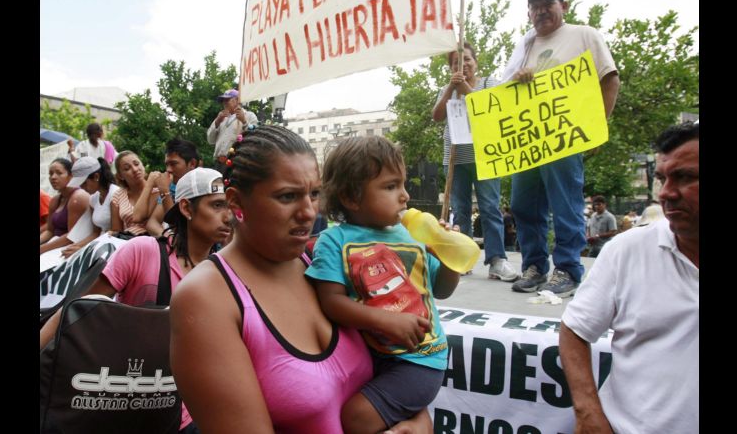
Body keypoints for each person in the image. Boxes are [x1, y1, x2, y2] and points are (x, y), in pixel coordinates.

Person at [170, 125, 430, 433]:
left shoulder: (327, 265)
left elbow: (405, 385)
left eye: (315, 194)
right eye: (288, 196)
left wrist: (418, 425)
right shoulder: (205, 298)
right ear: (236, 202)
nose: (308, 212)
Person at [41, 167, 231, 434]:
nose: (229, 216)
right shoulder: (142, 251)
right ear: (186, 208)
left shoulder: (225, 273)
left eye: (231, 206)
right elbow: (80, 311)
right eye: (218, 205)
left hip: (184, 414)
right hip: (120, 399)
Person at [306, 136, 460, 433]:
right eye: (391, 187)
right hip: (370, 358)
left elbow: (441, 289)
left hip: (420, 360)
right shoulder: (334, 240)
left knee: (357, 418)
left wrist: (450, 257)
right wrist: (386, 320)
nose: (404, 196)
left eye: (402, 184)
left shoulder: (411, 237)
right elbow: (331, 301)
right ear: (352, 197)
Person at [559, 122, 699, 434]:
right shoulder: (627, 250)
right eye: (662, 178)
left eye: (686, 177)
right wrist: (588, 413)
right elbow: (574, 329)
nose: (665, 193)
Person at [501, 0, 620, 296]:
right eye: (535, 7)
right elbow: (506, 96)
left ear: (563, 6)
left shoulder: (584, 35)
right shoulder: (524, 48)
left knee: (565, 203)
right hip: (528, 141)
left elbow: (609, 80)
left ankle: (567, 268)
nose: (541, 12)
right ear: (529, 13)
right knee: (523, 205)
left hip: (564, 138)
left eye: (547, 5)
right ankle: (535, 266)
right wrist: (518, 80)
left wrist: (599, 127)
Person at [432, 42, 517, 281]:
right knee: (460, 210)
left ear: (475, 61)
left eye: (467, 60)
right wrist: (451, 88)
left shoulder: (489, 83)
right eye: (456, 63)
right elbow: (437, 116)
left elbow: (492, 108)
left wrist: (466, 88)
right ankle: (463, 258)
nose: (463, 65)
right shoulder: (446, 89)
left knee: (490, 207)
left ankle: (497, 260)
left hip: (485, 155)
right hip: (456, 157)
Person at [59, 157, 121, 258]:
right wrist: (75, 246)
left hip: (113, 248)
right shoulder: (93, 199)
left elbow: (116, 233)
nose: (81, 188)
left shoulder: (115, 194)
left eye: (83, 183)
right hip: (100, 245)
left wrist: (83, 249)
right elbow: (95, 233)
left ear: (96, 176)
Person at [132, 138, 200, 229]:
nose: (168, 170)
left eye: (173, 164)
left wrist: (164, 191)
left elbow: (177, 226)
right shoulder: (172, 187)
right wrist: (167, 238)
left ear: (192, 163)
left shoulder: (202, 188)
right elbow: (152, 222)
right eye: (167, 164)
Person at [39, 158, 91, 255]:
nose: (53, 177)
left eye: (59, 173)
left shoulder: (78, 197)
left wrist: (42, 249)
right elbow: (50, 231)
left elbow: (71, 237)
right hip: (54, 245)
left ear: (71, 176)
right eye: (51, 174)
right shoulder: (55, 200)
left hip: (71, 248)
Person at [109, 151, 161, 237]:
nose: (135, 169)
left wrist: (149, 185)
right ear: (120, 176)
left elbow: (140, 218)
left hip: (153, 240)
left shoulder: (157, 190)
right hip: (127, 242)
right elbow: (116, 230)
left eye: (136, 164)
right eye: (127, 168)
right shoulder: (117, 196)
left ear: (143, 165)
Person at [206, 89, 259, 171]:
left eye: (227, 100)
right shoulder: (221, 117)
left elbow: (255, 136)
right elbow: (210, 140)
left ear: (237, 100)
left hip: (236, 163)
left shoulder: (249, 115)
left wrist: (244, 121)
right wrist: (217, 122)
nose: (224, 103)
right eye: (223, 101)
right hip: (218, 164)